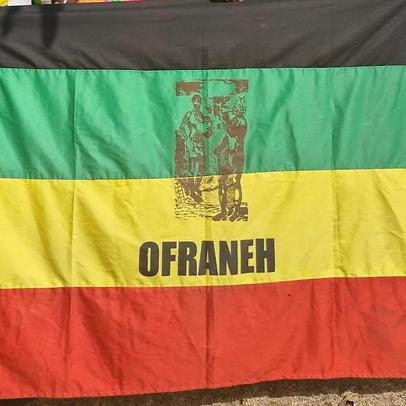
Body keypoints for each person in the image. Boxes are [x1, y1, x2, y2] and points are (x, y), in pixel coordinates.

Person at [212, 97, 247, 221]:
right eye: (234, 107)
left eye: (236, 107)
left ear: (241, 109)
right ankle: (223, 212)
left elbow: (233, 137)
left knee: (236, 183)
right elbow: (227, 137)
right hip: (227, 156)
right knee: (222, 183)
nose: (234, 109)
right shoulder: (233, 120)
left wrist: (225, 121)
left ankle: (236, 211)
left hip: (237, 156)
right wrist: (219, 149)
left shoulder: (242, 122)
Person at [176, 94, 211, 203]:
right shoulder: (189, 114)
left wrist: (209, 129)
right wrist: (187, 138)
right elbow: (181, 128)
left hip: (201, 144)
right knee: (192, 168)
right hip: (191, 144)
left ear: (200, 103)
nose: (196, 103)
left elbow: (207, 133)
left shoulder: (203, 116)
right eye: (195, 101)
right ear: (192, 102)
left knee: (201, 169)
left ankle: (194, 188)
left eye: (198, 101)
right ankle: (193, 192)